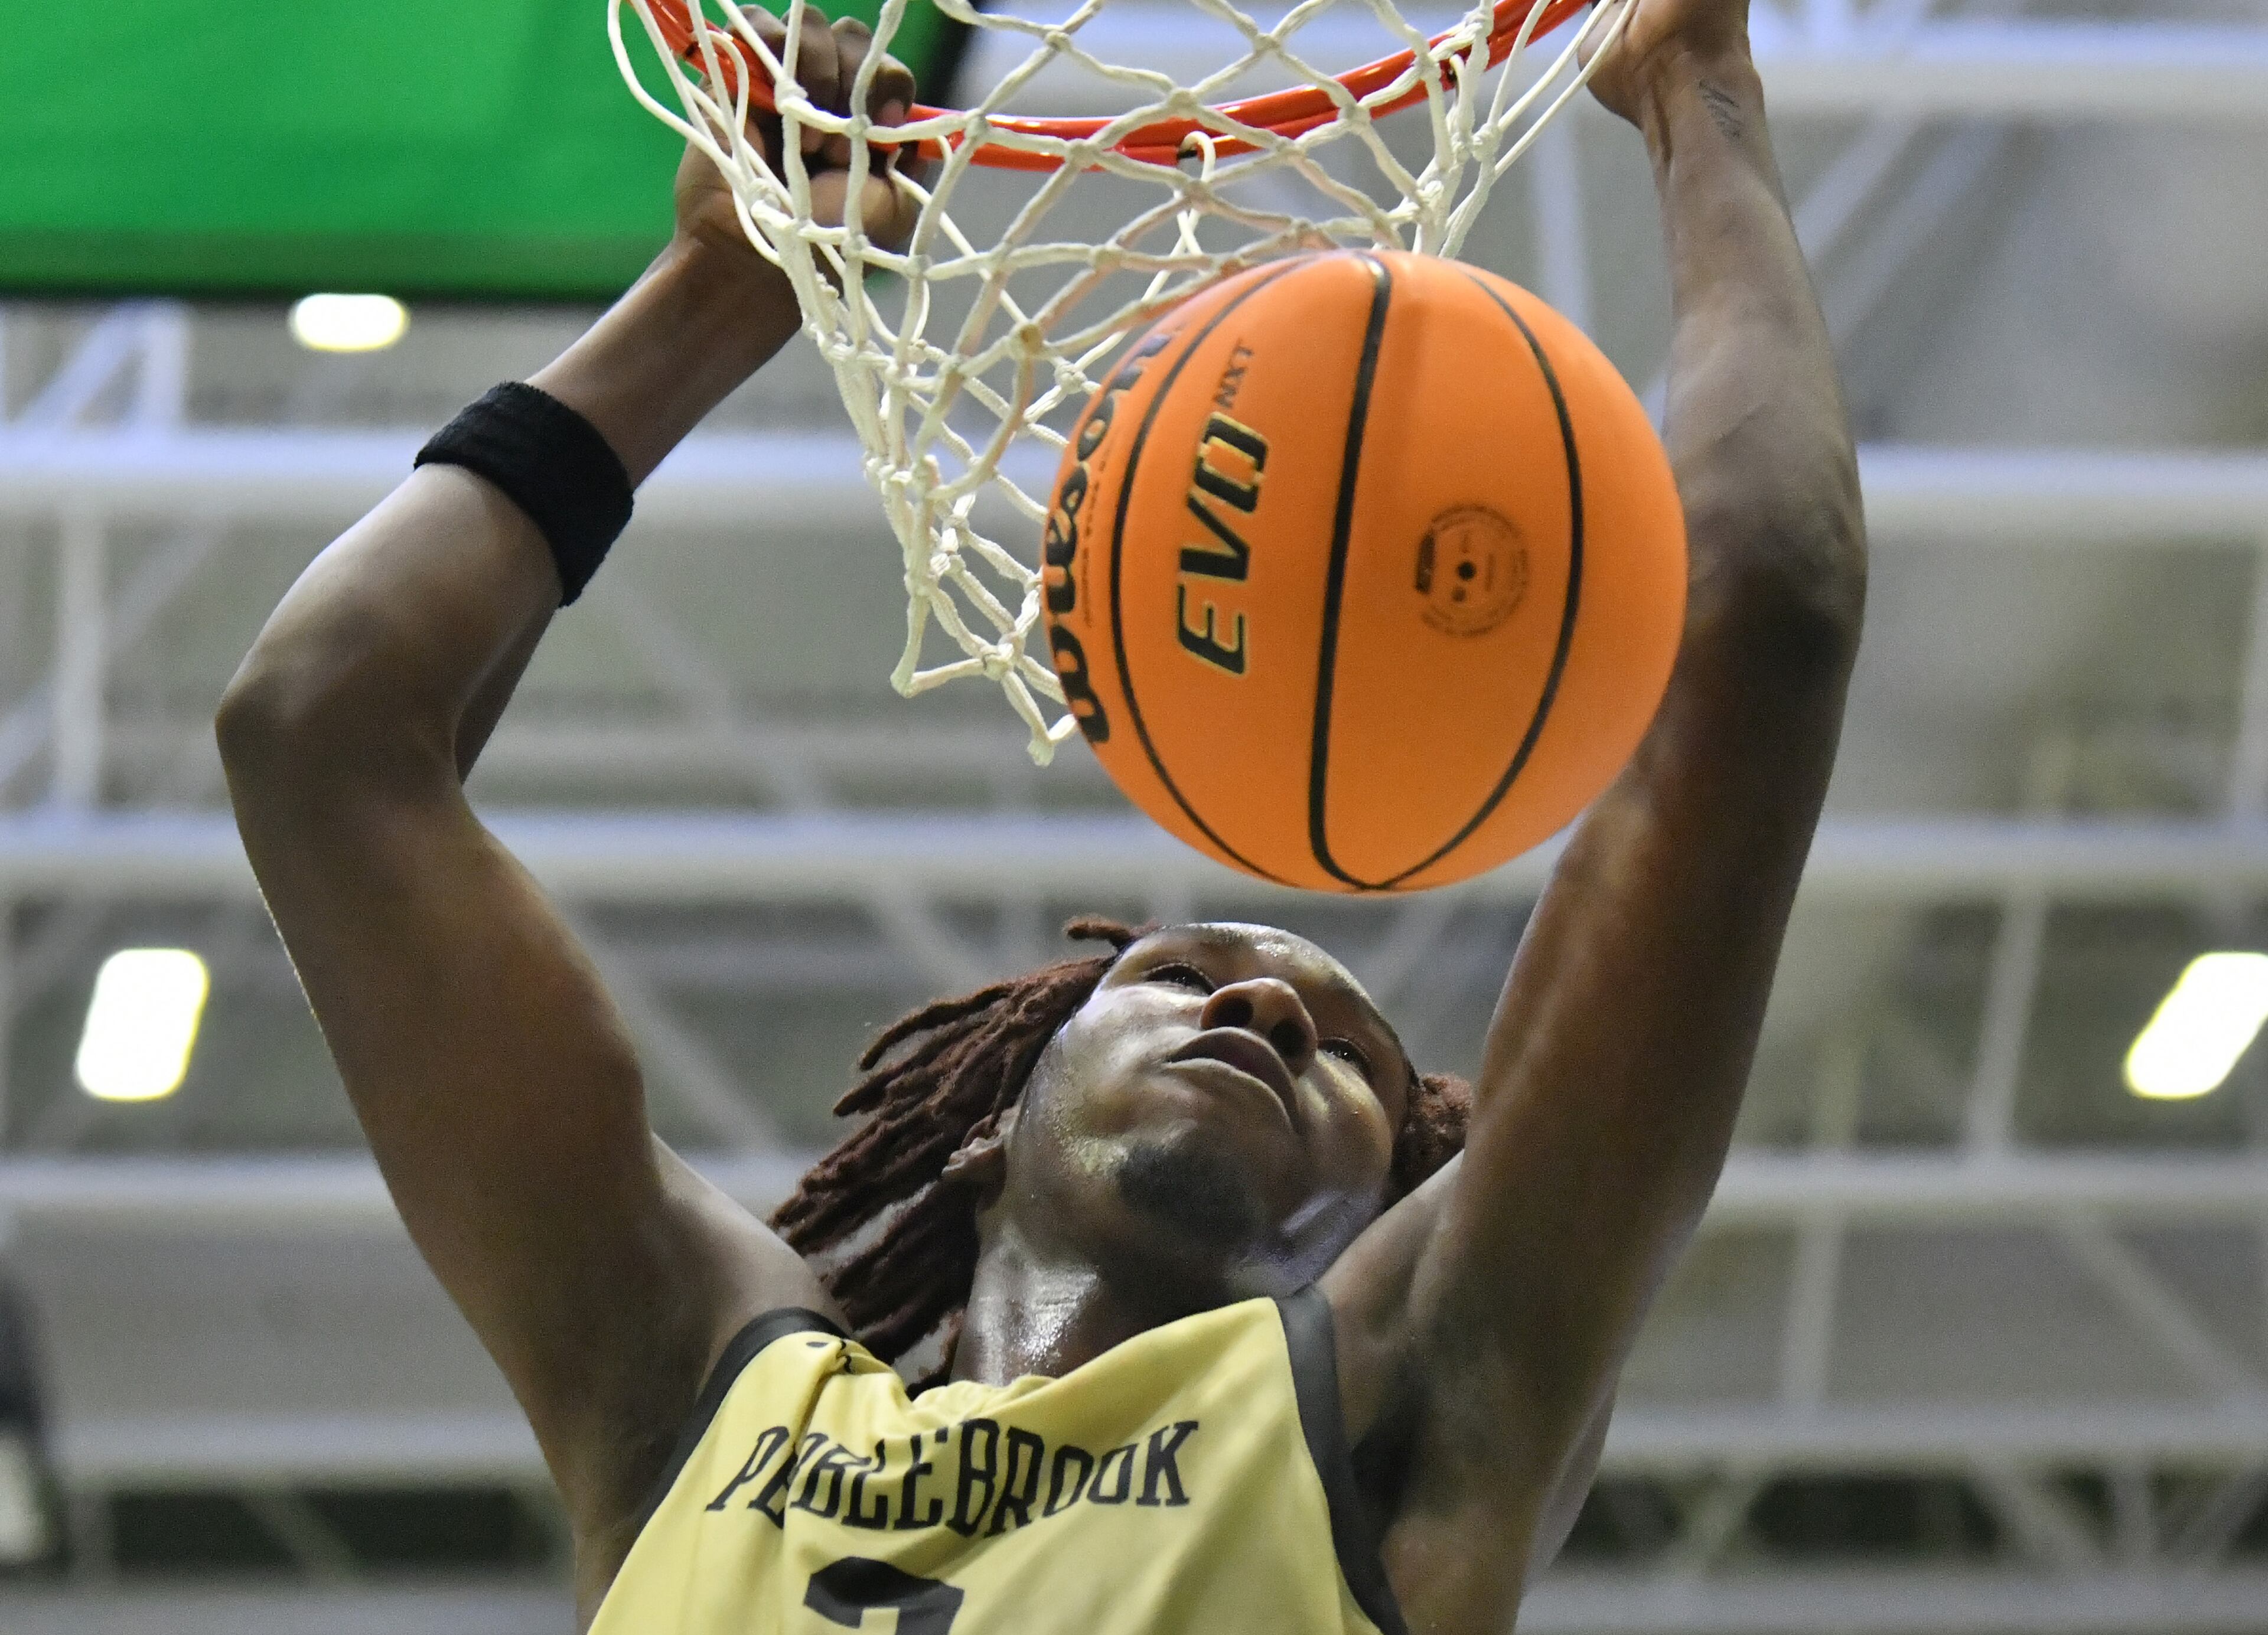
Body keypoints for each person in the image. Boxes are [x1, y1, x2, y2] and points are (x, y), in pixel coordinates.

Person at [216, 0, 1864, 1629]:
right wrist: (717, 295)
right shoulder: (694, 1412)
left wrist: (1693, 88)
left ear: (1393, 1219)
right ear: (993, 1124)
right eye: (1168, 973)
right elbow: (316, 724)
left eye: (1355, 1061)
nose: (1266, 1001)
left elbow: (1766, 614)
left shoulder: (1400, 1414)